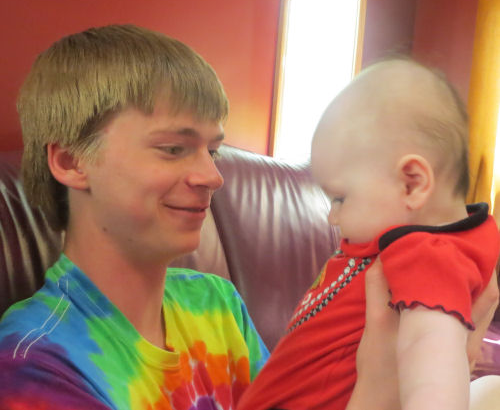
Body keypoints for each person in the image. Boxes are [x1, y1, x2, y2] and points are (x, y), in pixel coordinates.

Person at [0, 24, 269, 410]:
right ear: (72, 161)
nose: (213, 177)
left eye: (212, 152)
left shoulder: (218, 303)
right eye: (173, 148)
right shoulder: (36, 361)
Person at [237, 58, 500, 410]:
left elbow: (431, 360)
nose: (332, 217)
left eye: (340, 198)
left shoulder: (429, 253)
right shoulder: (413, 244)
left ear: (412, 184)